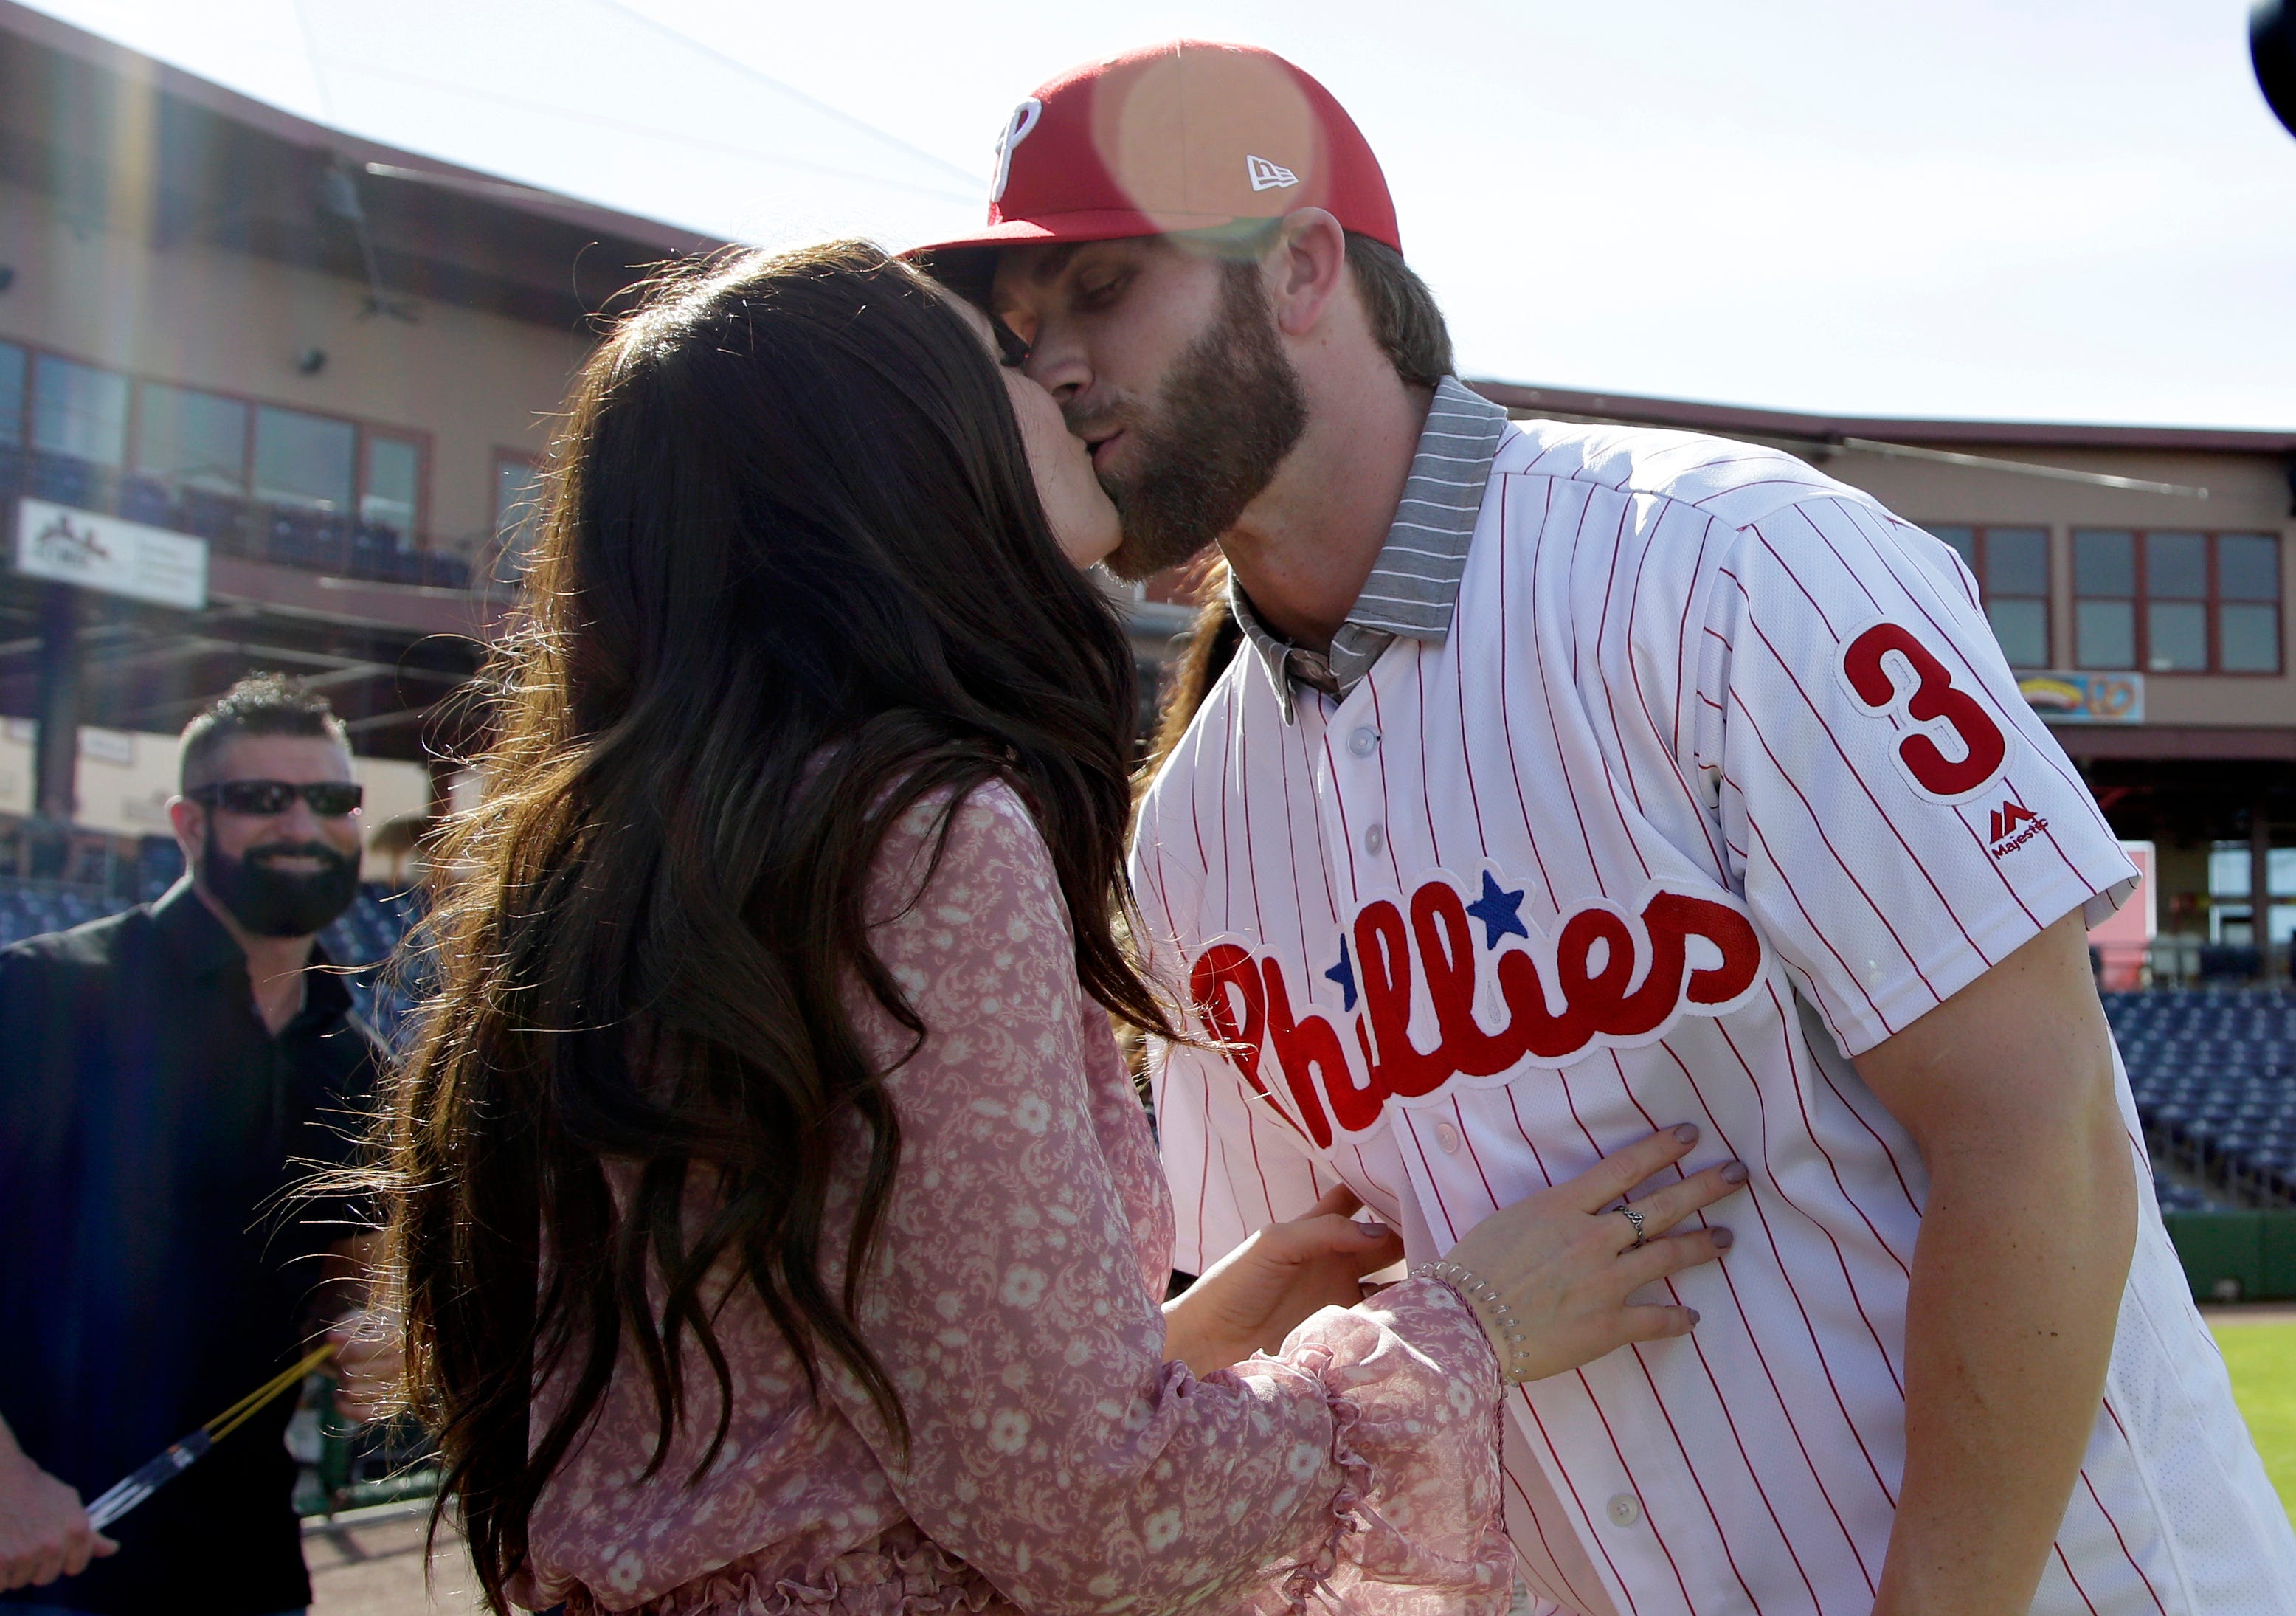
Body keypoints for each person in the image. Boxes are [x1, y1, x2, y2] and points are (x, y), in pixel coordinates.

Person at [930, 38, 2296, 1616]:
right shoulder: (1182, 842)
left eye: (1101, 290)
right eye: (1022, 333)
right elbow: (1320, 1339)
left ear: (1299, 267)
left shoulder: (1725, 569)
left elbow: (2033, 1126)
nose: (1052, 370)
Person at [377, 242, 1748, 1616]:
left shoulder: (659, 840)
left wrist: (1190, 1340)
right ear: (895, 454)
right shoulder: (915, 834)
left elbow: (814, 1427)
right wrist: (1472, 1326)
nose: (1054, 383)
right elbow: (1100, 1516)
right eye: (998, 362)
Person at [0, 675, 397, 1615]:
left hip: (250, 1571)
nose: (302, 824)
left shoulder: (353, 1057)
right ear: (187, 823)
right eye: (261, 799)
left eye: (331, 800)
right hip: (40, 1564)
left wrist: (368, 1334)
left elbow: (346, 1274)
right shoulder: (43, 994)